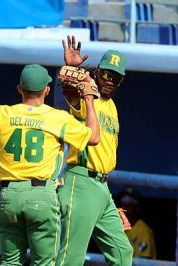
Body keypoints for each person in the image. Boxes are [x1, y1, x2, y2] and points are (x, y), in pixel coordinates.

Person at [0, 64, 100, 265]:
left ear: (19, 89)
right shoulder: (58, 118)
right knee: (43, 263)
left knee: (10, 262)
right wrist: (89, 100)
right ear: (47, 90)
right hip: (41, 195)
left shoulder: (1, 114)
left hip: (9, 196)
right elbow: (94, 137)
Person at [56, 35, 133, 266]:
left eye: (116, 77)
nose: (110, 80)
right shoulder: (86, 96)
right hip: (81, 181)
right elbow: (69, 87)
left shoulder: (112, 105)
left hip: (102, 188)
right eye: (107, 73)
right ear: (98, 71)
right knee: (71, 256)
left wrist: (103, 193)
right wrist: (72, 67)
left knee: (122, 253)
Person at [120, 189, 156, 259]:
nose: (125, 208)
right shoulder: (120, 229)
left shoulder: (142, 230)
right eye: (123, 203)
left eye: (129, 204)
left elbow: (142, 261)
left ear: (137, 208)